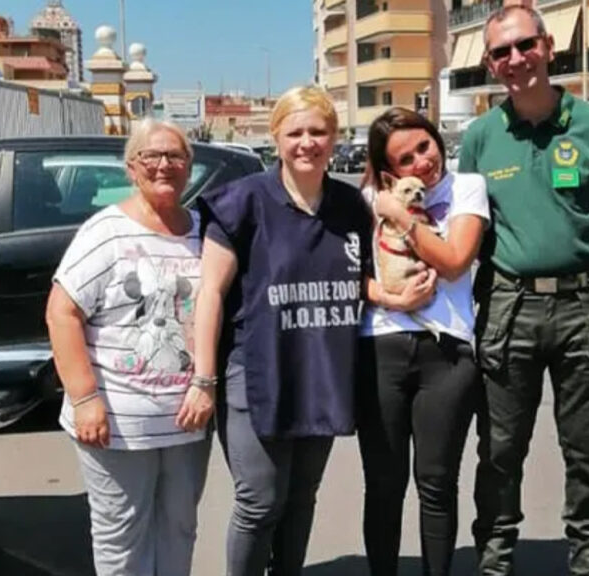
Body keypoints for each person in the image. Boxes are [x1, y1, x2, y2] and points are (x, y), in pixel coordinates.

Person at [458, 5, 589, 575]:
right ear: (490, 63)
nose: (515, 60)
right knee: (501, 450)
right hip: (509, 307)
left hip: (586, 307)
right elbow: (466, 227)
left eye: (524, 46)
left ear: (548, 45)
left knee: (586, 450)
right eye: (501, 53)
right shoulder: (481, 138)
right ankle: (495, 559)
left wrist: (576, 266)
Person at [192, 85, 371, 576]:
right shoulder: (244, 202)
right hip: (257, 373)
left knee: (301, 497)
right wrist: (203, 380)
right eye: (296, 132)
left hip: (324, 374)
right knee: (260, 501)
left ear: (334, 138)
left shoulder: (351, 206)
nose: (307, 142)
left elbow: (371, 283)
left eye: (319, 131)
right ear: (276, 137)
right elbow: (208, 294)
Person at [45, 119, 213, 576]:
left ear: (189, 168)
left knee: (179, 528)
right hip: (117, 422)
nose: (164, 166)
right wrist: (84, 398)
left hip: (187, 420)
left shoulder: (204, 230)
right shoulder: (106, 231)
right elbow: (62, 313)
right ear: (131, 168)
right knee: (122, 536)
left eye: (175, 157)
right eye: (151, 157)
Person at [357, 107, 489, 576]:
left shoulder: (466, 188)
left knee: (436, 483)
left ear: (437, 140)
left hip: (447, 352)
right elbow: (348, 273)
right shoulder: (369, 197)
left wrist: (403, 217)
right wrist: (387, 297)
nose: (422, 161)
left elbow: (454, 261)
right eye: (406, 159)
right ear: (392, 172)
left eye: (424, 146)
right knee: (385, 483)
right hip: (381, 346)